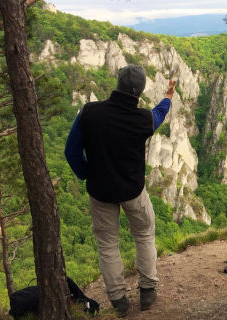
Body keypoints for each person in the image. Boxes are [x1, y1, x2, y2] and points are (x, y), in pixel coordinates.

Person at [65, 64, 176, 317]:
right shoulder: (142, 119)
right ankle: (147, 291)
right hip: (133, 191)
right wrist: (168, 96)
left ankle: (118, 300)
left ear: (117, 84)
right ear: (139, 92)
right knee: (145, 236)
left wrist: (86, 173)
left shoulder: (88, 113)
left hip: (100, 192)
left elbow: (71, 152)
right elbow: (159, 113)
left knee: (107, 245)